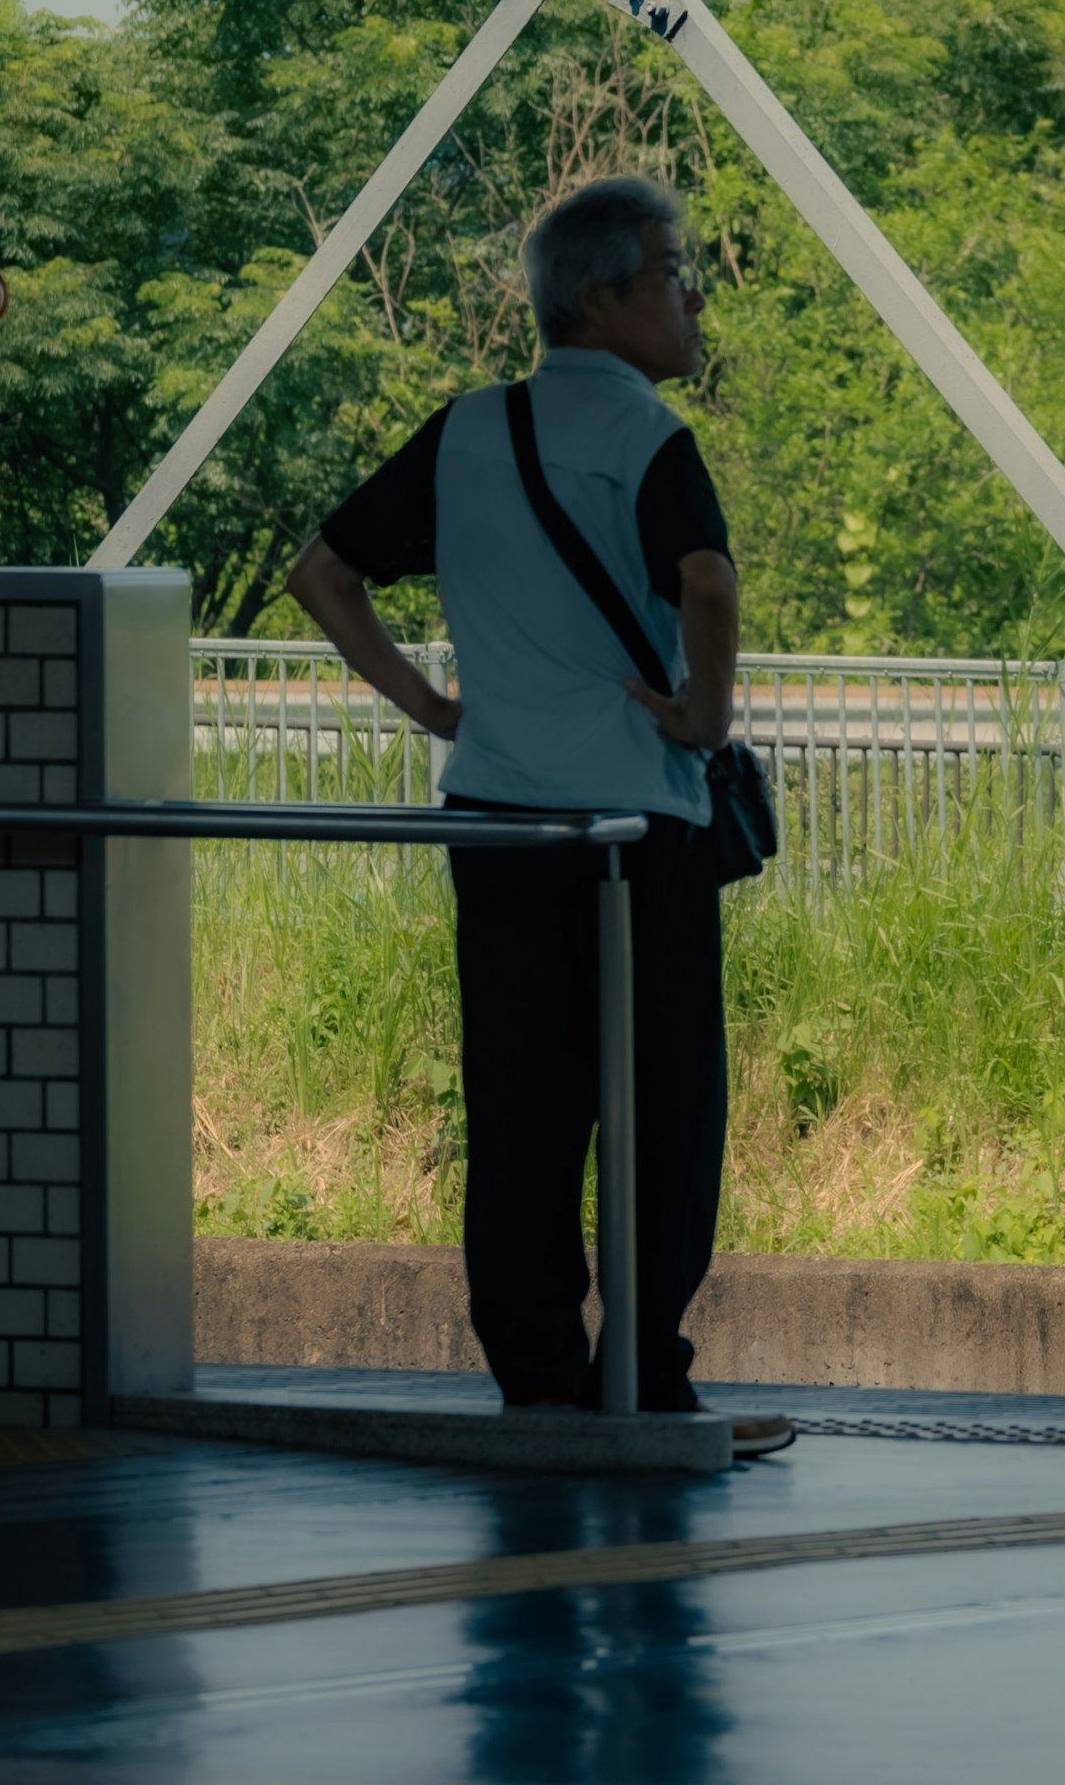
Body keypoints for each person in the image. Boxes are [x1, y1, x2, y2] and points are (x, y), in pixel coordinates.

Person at [286, 175, 781, 1449]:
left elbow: (324, 574)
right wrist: (703, 718)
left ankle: (538, 1380)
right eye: (672, 273)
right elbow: (710, 586)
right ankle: (646, 1377)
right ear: (604, 299)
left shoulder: (463, 432)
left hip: (500, 822)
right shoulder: (647, 435)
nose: (689, 296)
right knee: (663, 1102)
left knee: (520, 1105)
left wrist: (436, 711)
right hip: (633, 833)